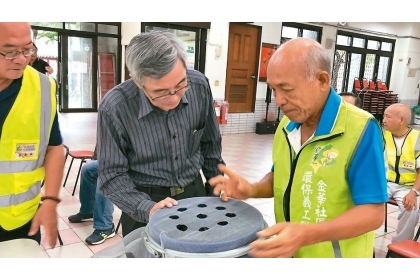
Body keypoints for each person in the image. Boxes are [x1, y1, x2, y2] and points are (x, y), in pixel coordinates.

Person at [209, 37, 388, 258]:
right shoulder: (287, 124)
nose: (279, 100)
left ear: (322, 80)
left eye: (287, 89)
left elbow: (373, 214)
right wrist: (252, 189)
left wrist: (306, 234)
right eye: (274, 90)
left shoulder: (360, 129)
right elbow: (283, 176)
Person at [97, 31, 225, 237]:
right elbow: (111, 175)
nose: (174, 98)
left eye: (180, 85)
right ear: (138, 82)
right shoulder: (115, 107)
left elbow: (211, 146)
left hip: (195, 195)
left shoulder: (199, 86)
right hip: (145, 202)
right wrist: (146, 208)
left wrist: (215, 192)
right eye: (161, 92)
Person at [0, 22, 64, 248]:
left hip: (21, 220)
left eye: (27, 49)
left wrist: (50, 200)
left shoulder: (42, 87)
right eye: (9, 52)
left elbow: (54, 146)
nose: (21, 59)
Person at [383, 103, 420, 242]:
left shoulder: (418, 138)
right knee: (365, 200)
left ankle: (399, 248)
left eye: (388, 116)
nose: (384, 120)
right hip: (384, 183)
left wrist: (413, 193)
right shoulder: (382, 136)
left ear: (401, 120)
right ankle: (362, 241)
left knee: (411, 209)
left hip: (408, 187)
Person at [67, 147, 115, 245]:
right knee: (88, 168)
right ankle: (89, 211)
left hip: (129, 162)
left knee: (105, 175)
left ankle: (106, 227)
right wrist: (96, 156)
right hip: (111, 159)